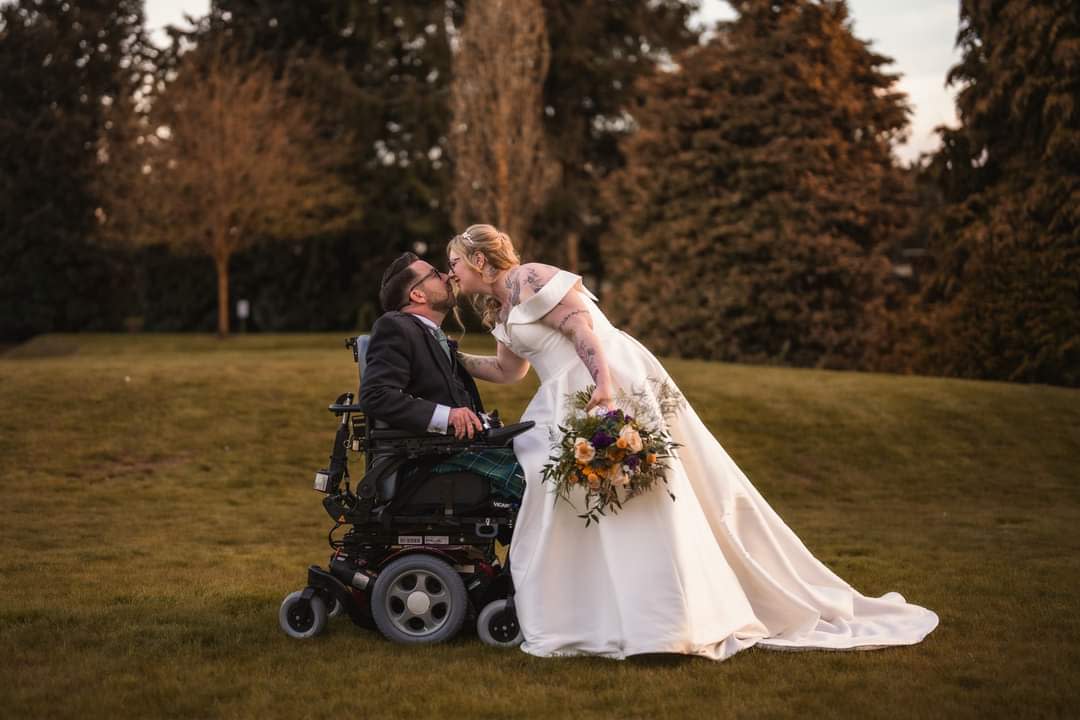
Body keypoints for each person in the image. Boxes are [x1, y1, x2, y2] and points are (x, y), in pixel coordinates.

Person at [447, 224, 938, 660]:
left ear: (478, 259)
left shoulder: (529, 277)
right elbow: (511, 372)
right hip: (559, 399)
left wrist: (603, 388)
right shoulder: (498, 306)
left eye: (453, 265)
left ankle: (667, 617)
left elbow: (583, 330)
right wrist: (454, 357)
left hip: (602, 383)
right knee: (571, 497)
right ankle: (590, 612)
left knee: (635, 493)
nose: (451, 275)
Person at [358, 251, 523, 502]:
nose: (447, 276)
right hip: (432, 460)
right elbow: (376, 395)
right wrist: (450, 416)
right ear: (417, 294)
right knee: (543, 481)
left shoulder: (433, 336)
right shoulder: (395, 326)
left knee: (543, 461)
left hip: (461, 450)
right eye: (435, 274)